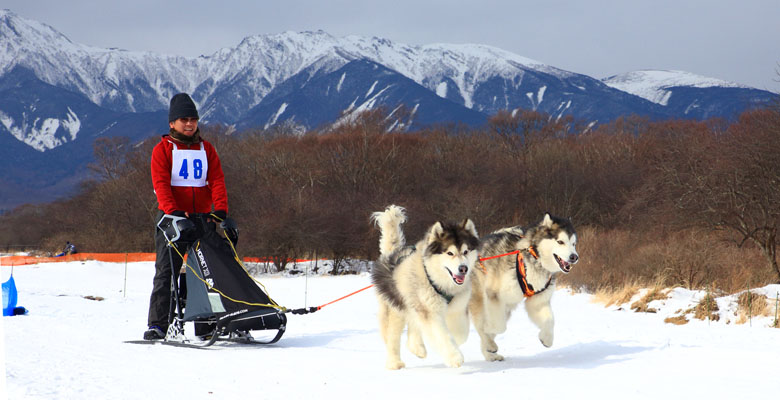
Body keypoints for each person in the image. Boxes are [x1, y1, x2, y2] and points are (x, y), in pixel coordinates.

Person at [144, 93, 229, 340]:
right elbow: (161, 184)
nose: (190, 124)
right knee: (165, 271)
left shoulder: (207, 149)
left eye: (193, 119)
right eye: (184, 119)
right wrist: (173, 212)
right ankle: (159, 324)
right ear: (172, 123)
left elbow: (217, 180)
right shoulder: (162, 150)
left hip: (203, 218)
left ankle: (206, 324)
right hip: (173, 220)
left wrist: (220, 209)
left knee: (204, 272)